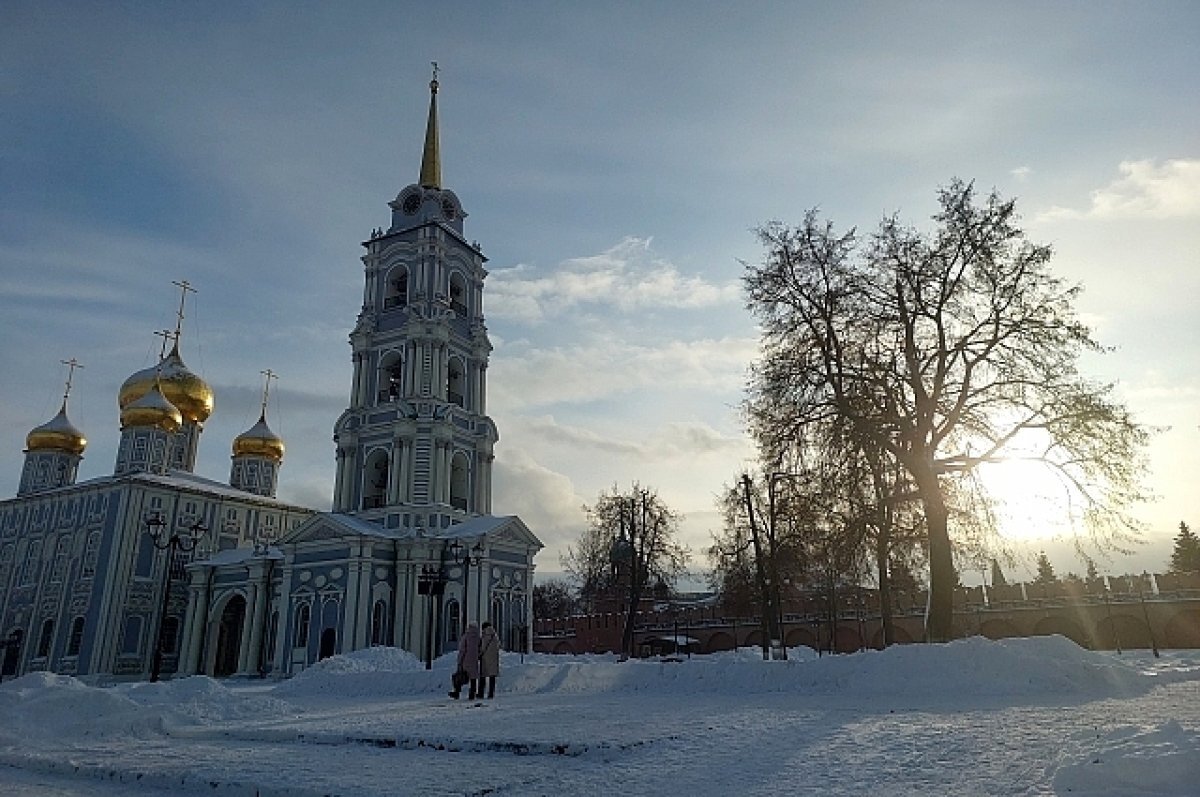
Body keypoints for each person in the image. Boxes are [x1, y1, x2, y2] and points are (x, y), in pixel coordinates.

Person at [449, 622, 481, 700]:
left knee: (460, 676)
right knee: (473, 678)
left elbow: (462, 650)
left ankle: (456, 692)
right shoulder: (478, 638)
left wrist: (459, 660)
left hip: (466, 660)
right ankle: (472, 694)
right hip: (474, 660)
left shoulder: (466, 637)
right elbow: (480, 648)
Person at [479, 622, 500, 699]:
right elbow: (498, 645)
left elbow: (483, 647)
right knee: (492, 677)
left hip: (485, 658)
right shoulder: (495, 635)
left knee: (483, 675)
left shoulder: (485, 635)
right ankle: (491, 693)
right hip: (494, 658)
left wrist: (480, 654)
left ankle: (481, 693)